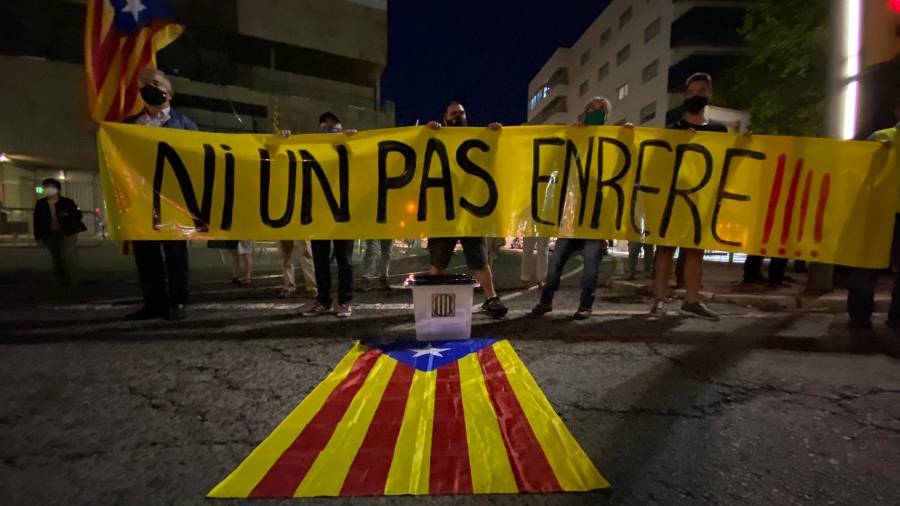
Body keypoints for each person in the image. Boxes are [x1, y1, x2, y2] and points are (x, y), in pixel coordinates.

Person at [650, 73, 725, 320]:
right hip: (672, 201)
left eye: (700, 91)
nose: (695, 96)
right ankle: (659, 300)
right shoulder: (673, 131)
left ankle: (692, 300)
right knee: (665, 250)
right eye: (690, 92)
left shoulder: (719, 131)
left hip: (700, 201)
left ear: (709, 94)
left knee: (695, 252)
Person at [124, 68, 197, 321]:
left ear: (169, 90)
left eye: (155, 83)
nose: (150, 88)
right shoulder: (129, 125)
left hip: (173, 200)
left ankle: (178, 302)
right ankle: (153, 303)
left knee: (176, 253)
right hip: (141, 199)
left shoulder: (186, 125)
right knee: (146, 255)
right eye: (144, 85)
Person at [531, 97, 612, 319]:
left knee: (590, 267)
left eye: (599, 110)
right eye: (590, 109)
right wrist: (571, 136)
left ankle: (585, 305)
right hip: (572, 215)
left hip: (596, 217)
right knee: (555, 262)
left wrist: (627, 134)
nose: (594, 112)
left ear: (606, 116)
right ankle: (545, 301)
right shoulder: (573, 137)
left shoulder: (612, 142)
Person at [426, 101, 508, 318]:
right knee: (438, 260)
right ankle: (429, 301)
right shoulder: (437, 138)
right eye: (453, 113)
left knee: (479, 257)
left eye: (461, 113)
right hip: (445, 213)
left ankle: (491, 298)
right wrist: (428, 133)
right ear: (445, 118)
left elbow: (492, 160)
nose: (458, 116)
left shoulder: (477, 140)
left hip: (471, 211)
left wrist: (494, 137)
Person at [847, 98, 900, 329]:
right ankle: (896, 318)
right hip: (881, 210)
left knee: (867, 264)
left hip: (877, 210)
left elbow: (855, 169)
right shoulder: (881, 138)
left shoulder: (880, 137)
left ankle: (860, 314)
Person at [302, 112, 357, 318]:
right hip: (320, 213)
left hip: (345, 213)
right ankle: (323, 300)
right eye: (326, 129)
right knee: (320, 259)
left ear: (341, 130)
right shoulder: (314, 150)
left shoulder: (349, 149)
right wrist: (284, 138)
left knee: (345, 260)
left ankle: (344, 301)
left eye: (334, 129)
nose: (330, 133)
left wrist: (354, 142)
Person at [33, 178, 86, 286]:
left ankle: (72, 279)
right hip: (50, 233)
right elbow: (37, 220)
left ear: (57, 189)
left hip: (68, 232)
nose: (48, 189)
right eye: (46, 187)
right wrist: (38, 236)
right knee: (56, 257)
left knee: (68, 255)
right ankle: (60, 279)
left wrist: (67, 215)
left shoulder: (67, 202)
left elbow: (78, 215)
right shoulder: (41, 203)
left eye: (50, 187)